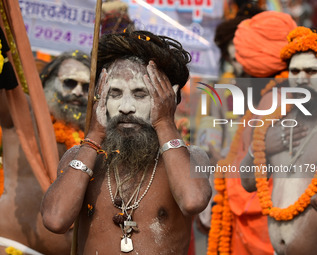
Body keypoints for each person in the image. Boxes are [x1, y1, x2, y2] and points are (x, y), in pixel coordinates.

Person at [41, 30, 212, 255]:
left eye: (141, 94)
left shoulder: (192, 158)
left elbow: (192, 201)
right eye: (115, 93)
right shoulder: (80, 157)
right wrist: (93, 136)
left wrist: (164, 122)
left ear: (167, 99)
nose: (126, 107)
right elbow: (55, 220)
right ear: (100, 99)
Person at [240, 27, 317, 255]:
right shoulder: (276, 122)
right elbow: (247, 183)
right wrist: (261, 148)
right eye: (294, 71)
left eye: (312, 71)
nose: (301, 79)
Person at [207, 11, 296, 255]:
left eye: (240, 55)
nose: (237, 63)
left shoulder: (278, 98)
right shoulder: (229, 90)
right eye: (232, 56)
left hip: (262, 215)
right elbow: (212, 130)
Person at [0, 50, 91, 255]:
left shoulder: (95, 138)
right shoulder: (26, 112)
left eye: (86, 87)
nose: (78, 92)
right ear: (49, 81)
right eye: (69, 83)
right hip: (6, 244)